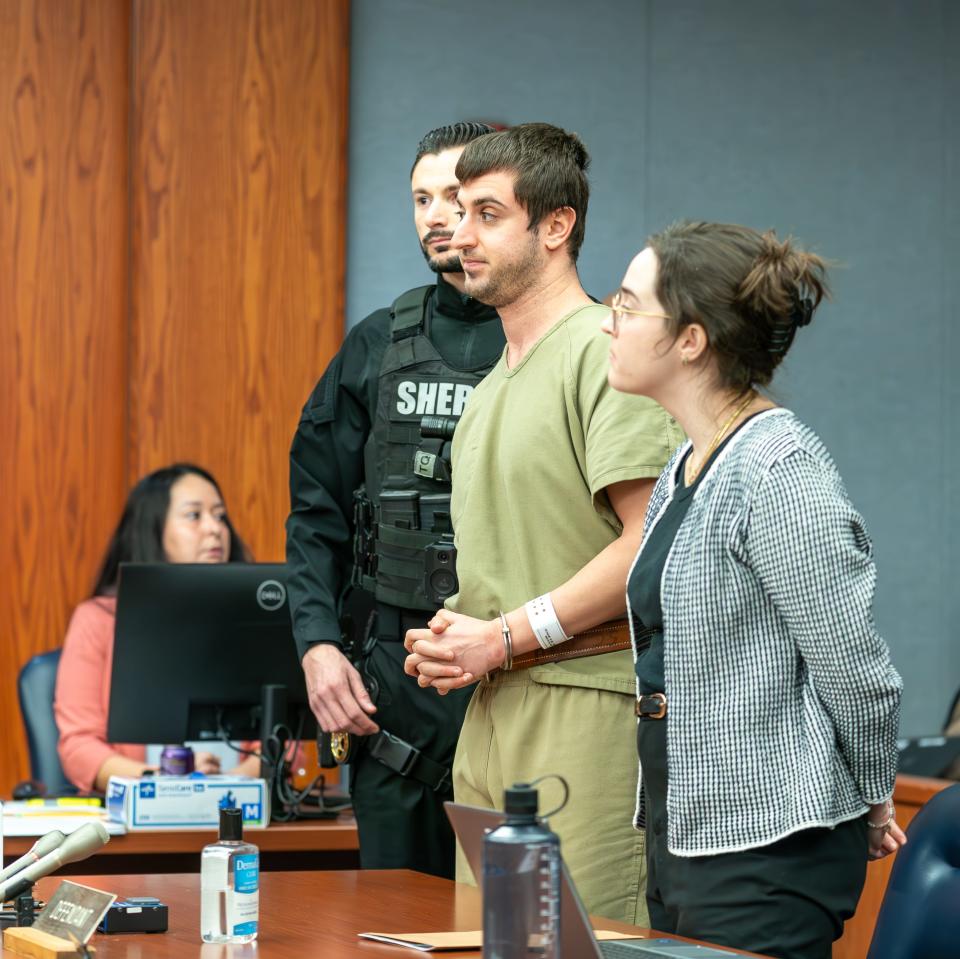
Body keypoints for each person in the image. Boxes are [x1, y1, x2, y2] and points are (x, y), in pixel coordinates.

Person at [403, 123, 682, 924]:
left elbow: (647, 544)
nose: (460, 234)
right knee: (488, 944)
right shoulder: (490, 386)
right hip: (491, 711)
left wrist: (506, 635)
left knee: (575, 942)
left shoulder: (601, 354)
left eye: (487, 213)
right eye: (457, 213)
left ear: (555, 226)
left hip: (586, 705)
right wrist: (461, 635)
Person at [602, 220, 905, 959]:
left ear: (692, 340)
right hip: (689, 831)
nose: (609, 318)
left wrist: (872, 790)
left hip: (767, 849)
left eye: (629, 303)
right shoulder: (686, 461)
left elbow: (855, 666)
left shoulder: (778, 468)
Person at [286, 122, 505, 878]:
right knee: (389, 929)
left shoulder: (571, 346)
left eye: (457, 195)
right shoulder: (376, 345)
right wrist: (317, 645)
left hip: (516, 687)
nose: (438, 216)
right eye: (422, 197)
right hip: (393, 696)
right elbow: (316, 513)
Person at [55, 463, 260, 793]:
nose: (215, 529)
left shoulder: (253, 617)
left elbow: (284, 741)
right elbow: (79, 747)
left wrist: (227, 784)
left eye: (220, 516)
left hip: (240, 811)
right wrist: (165, 781)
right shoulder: (98, 620)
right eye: (195, 516)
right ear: (153, 528)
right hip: (139, 820)